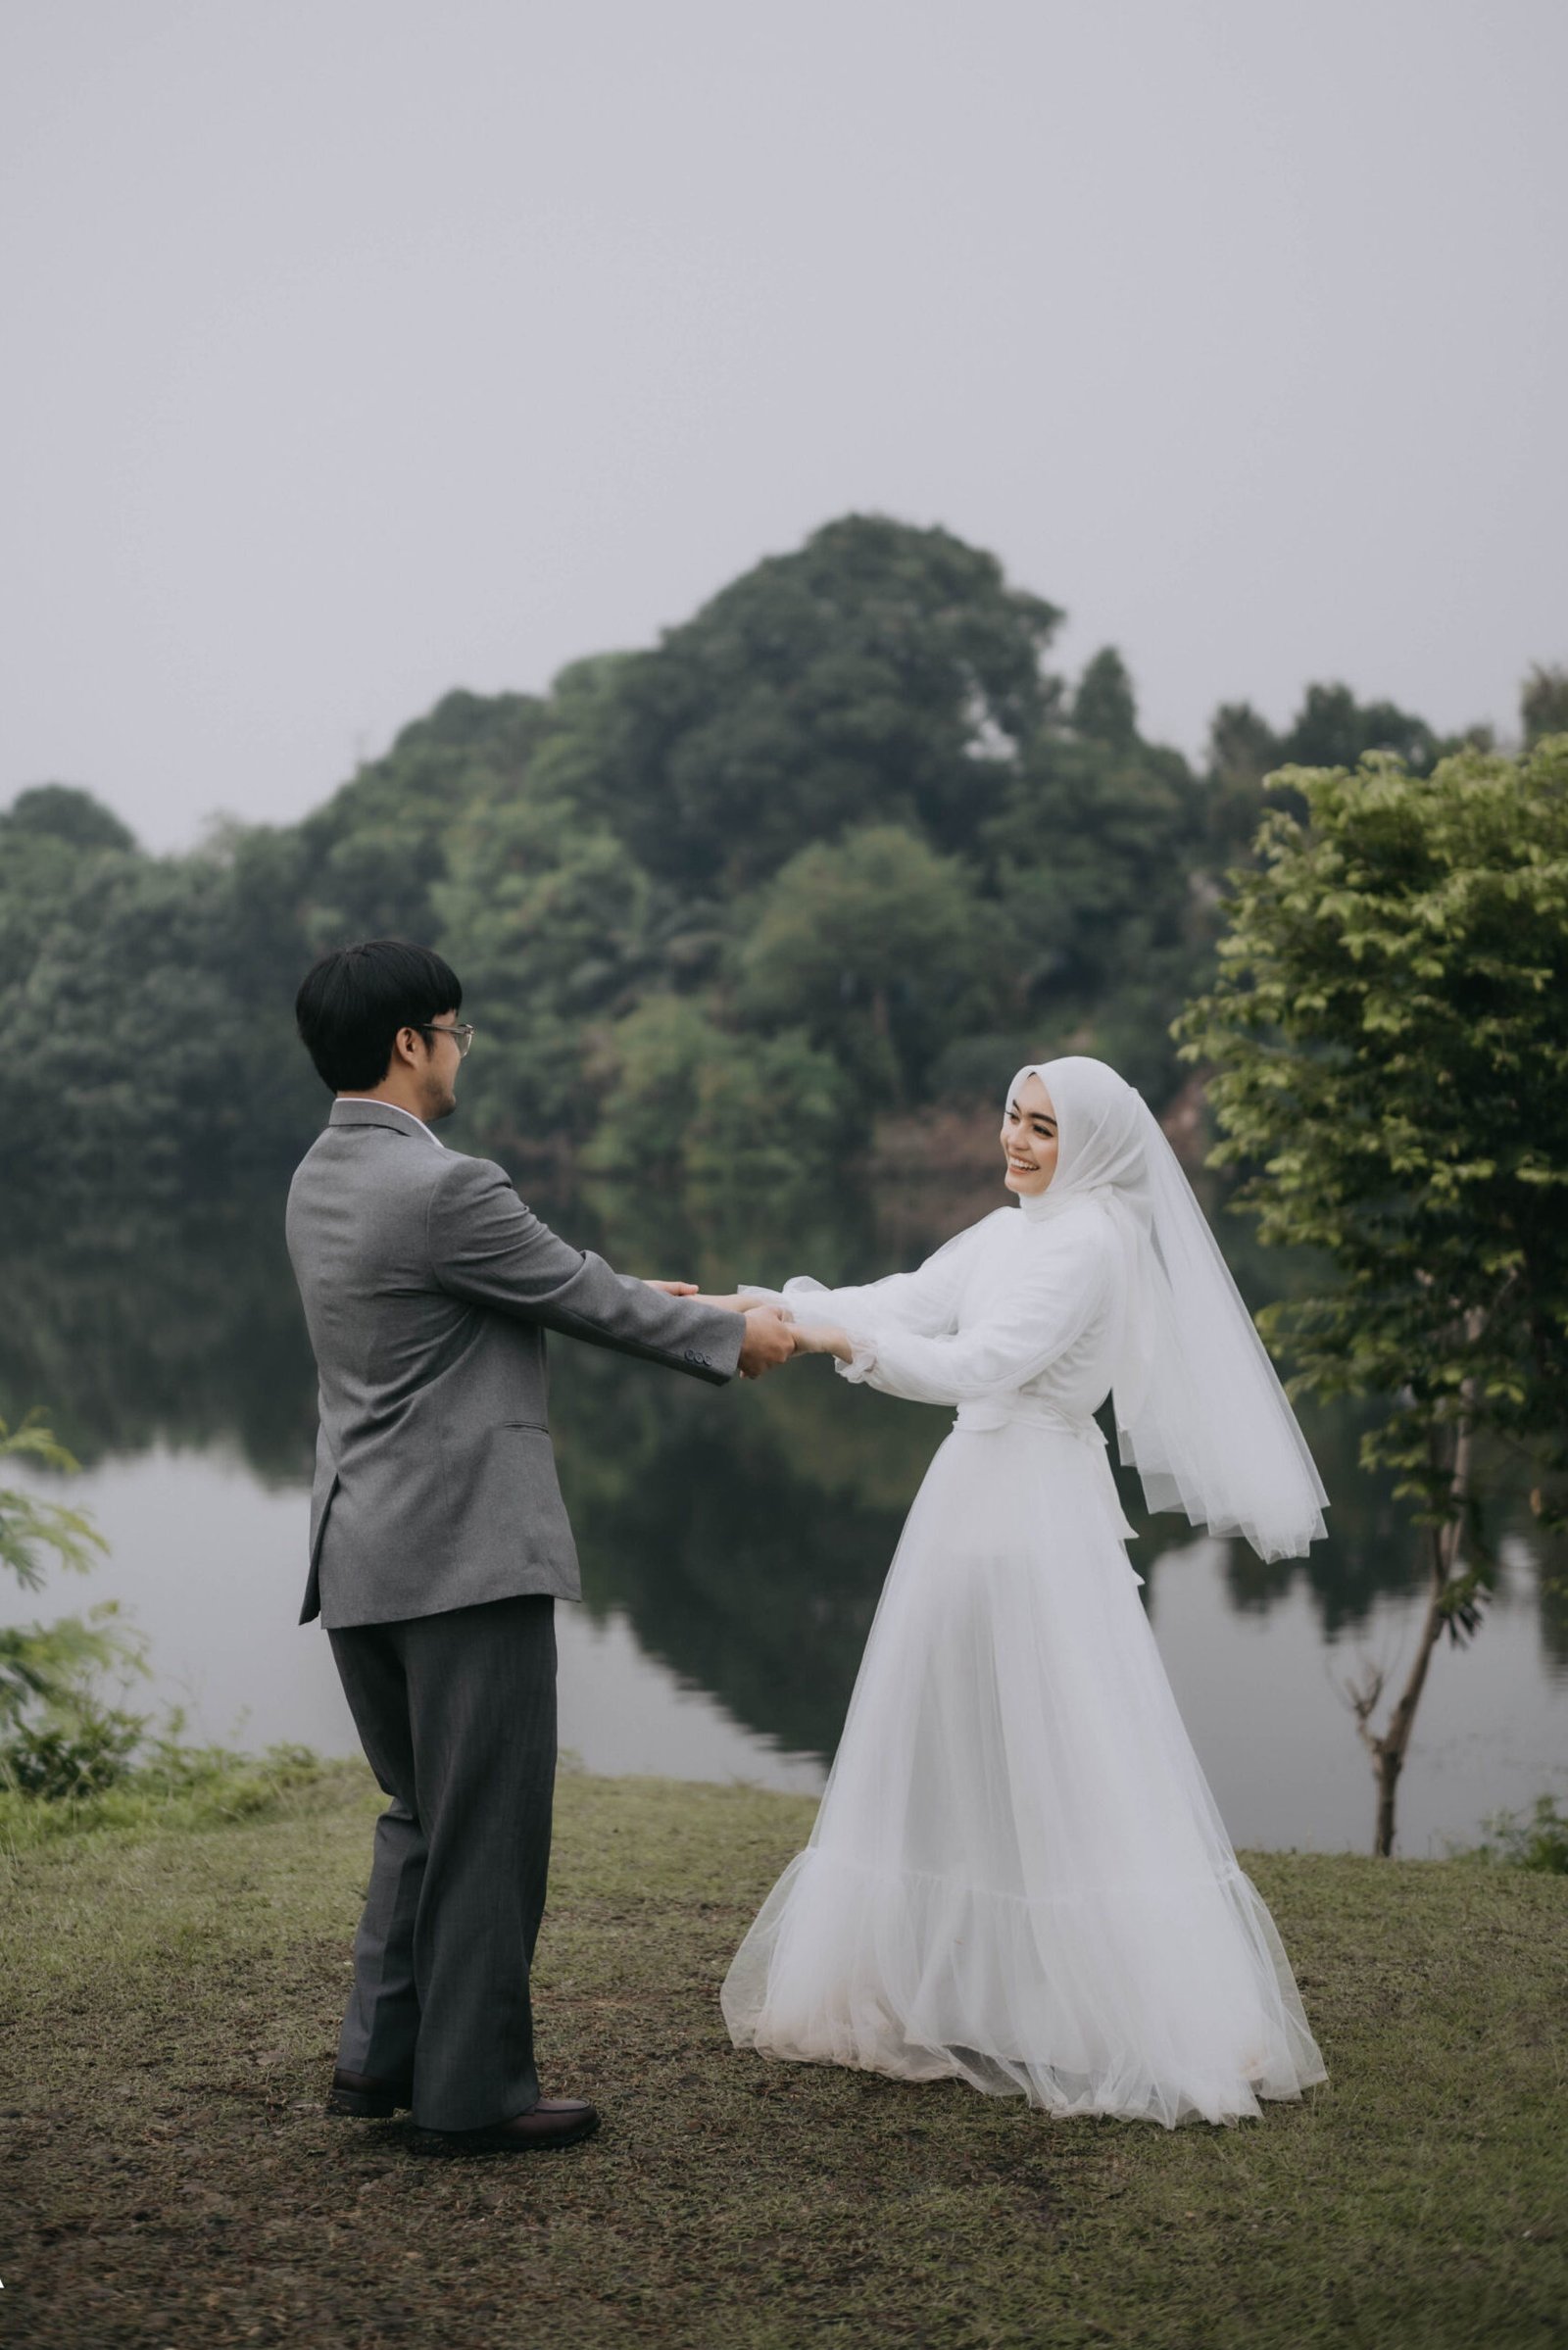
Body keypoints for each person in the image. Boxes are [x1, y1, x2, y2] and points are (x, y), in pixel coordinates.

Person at [721, 1055, 1330, 2129]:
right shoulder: (1012, 1231)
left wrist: (828, 1340)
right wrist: (761, 1304)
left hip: (1036, 1507)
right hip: (969, 1500)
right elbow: (909, 1299)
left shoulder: (1091, 1243)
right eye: (1013, 1115)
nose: (1015, 1138)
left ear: (1087, 1145)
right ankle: (963, 1986)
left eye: (1043, 1127)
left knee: (1058, 1740)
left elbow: (980, 1363)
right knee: (945, 1729)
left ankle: (1100, 2005)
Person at [285, 939, 794, 2153]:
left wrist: (666, 1296)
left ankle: (382, 2059)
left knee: (421, 1811)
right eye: (455, 1031)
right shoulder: (446, 1185)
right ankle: (472, 2098)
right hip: (464, 1557)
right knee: (490, 1829)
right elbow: (574, 1293)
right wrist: (735, 1336)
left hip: (360, 1549)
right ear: (410, 1042)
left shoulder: (318, 1175)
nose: (462, 1053)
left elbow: (532, 1280)